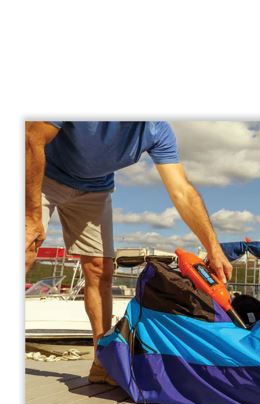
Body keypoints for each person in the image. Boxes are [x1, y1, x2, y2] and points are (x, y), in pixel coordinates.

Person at [25, 121, 232, 385]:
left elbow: (182, 191)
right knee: (24, 247)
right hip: (42, 172)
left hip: (94, 188)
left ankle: (102, 360)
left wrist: (213, 247)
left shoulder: (157, 130)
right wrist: (31, 215)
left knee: (100, 270)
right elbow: (32, 137)